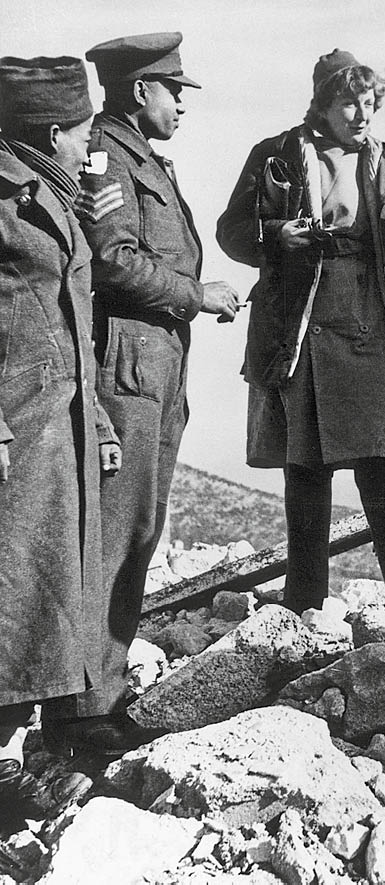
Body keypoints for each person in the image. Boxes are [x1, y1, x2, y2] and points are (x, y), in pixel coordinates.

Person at [48, 32, 240, 756]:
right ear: (139, 91)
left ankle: (100, 689)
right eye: (174, 91)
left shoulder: (140, 158)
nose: (182, 104)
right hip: (125, 369)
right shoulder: (105, 155)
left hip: (156, 370)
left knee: (138, 530)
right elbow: (113, 261)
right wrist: (198, 294)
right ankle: (80, 708)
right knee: (115, 531)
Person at [217, 49, 385, 616]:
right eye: (349, 103)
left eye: (369, 103)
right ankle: (305, 598)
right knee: (306, 463)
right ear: (323, 103)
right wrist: (273, 234)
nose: (362, 114)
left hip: (369, 317)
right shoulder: (276, 154)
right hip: (300, 317)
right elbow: (231, 231)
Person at [0, 55, 121, 824]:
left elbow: (72, 326)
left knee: (44, 602)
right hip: (15, 430)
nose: (91, 149)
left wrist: (101, 420)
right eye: (83, 134)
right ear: (53, 131)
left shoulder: (55, 195)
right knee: (9, 601)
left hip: (58, 430)